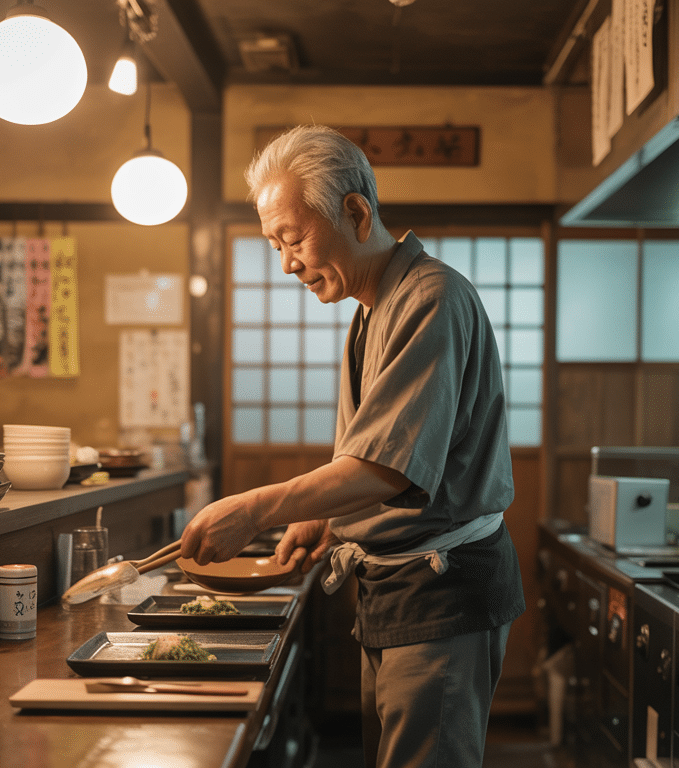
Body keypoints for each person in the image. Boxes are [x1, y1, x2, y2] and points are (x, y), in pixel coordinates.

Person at [179, 124, 524, 768]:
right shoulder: (373, 308)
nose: (286, 263)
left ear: (357, 212)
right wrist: (322, 517)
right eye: (274, 245)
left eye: (294, 238)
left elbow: (384, 468)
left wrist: (256, 509)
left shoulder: (432, 297)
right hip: (399, 586)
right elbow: (376, 460)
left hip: (442, 588)